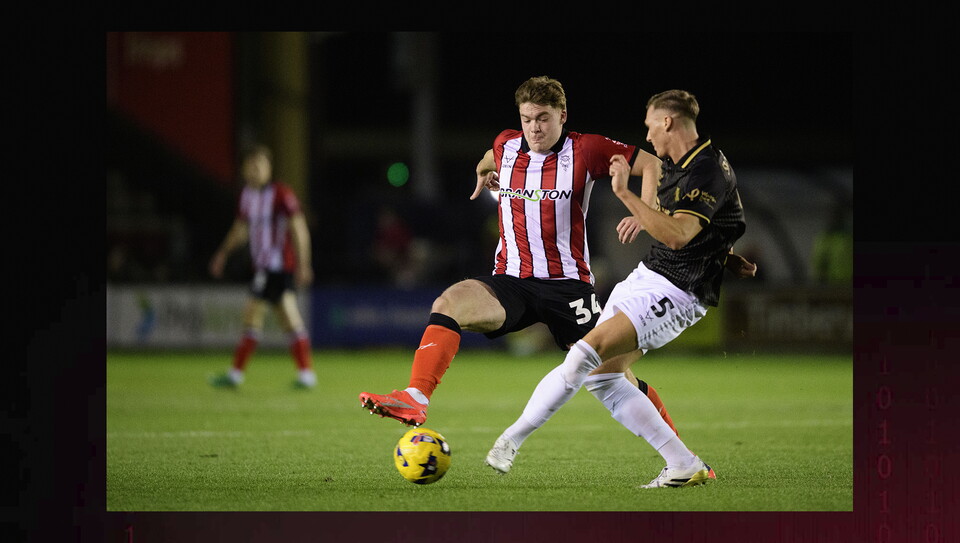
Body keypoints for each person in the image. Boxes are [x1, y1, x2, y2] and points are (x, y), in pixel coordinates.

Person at [359, 76, 678, 431]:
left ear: (562, 115)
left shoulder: (586, 149)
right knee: (448, 303)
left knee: (611, 377)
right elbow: (490, 156)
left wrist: (644, 212)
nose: (534, 128)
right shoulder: (507, 145)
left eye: (542, 118)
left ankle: (679, 451)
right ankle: (416, 398)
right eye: (527, 119)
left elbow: (651, 164)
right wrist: (483, 170)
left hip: (567, 287)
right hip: (511, 282)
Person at [484, 89, 756, 488]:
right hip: (652, 275)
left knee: (583, 354)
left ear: (667, 122)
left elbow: (679, 234)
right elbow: (716, 221)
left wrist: (627, 196)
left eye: (650, 125)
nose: (647, 135)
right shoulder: (681, 163)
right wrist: (726, 255)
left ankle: (511, 440)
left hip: (680, 290)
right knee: (602, 376)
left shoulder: (707, 168)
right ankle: (682, 462)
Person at [208, 144, 318, 389]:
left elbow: (298, 228)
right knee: (288, 317)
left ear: (269, 168)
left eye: (260, 165)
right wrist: (222, 254)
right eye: (251, 165)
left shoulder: (281, 194)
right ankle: (306, 374)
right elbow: (241, 230)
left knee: (253, 315)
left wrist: (304, 264)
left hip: (276, 267)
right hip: (263, 268)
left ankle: (236, 374)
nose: (255, 170)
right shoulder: (247, 195)